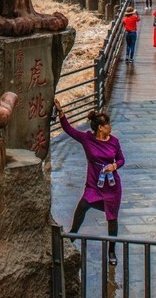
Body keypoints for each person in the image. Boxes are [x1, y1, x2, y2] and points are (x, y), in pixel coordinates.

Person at [54, 99, 124, 266]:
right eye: (107, 125)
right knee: (83, 206)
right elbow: (69, 130)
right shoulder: (87, 139)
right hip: (94, 184)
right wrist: (61, 113)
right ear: (100, 128)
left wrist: (114, 166)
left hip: (112, 187)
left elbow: (121, 159)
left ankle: (112, 251)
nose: (110, 127)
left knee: (112, 219)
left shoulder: (114, 141)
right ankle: (72, 235)